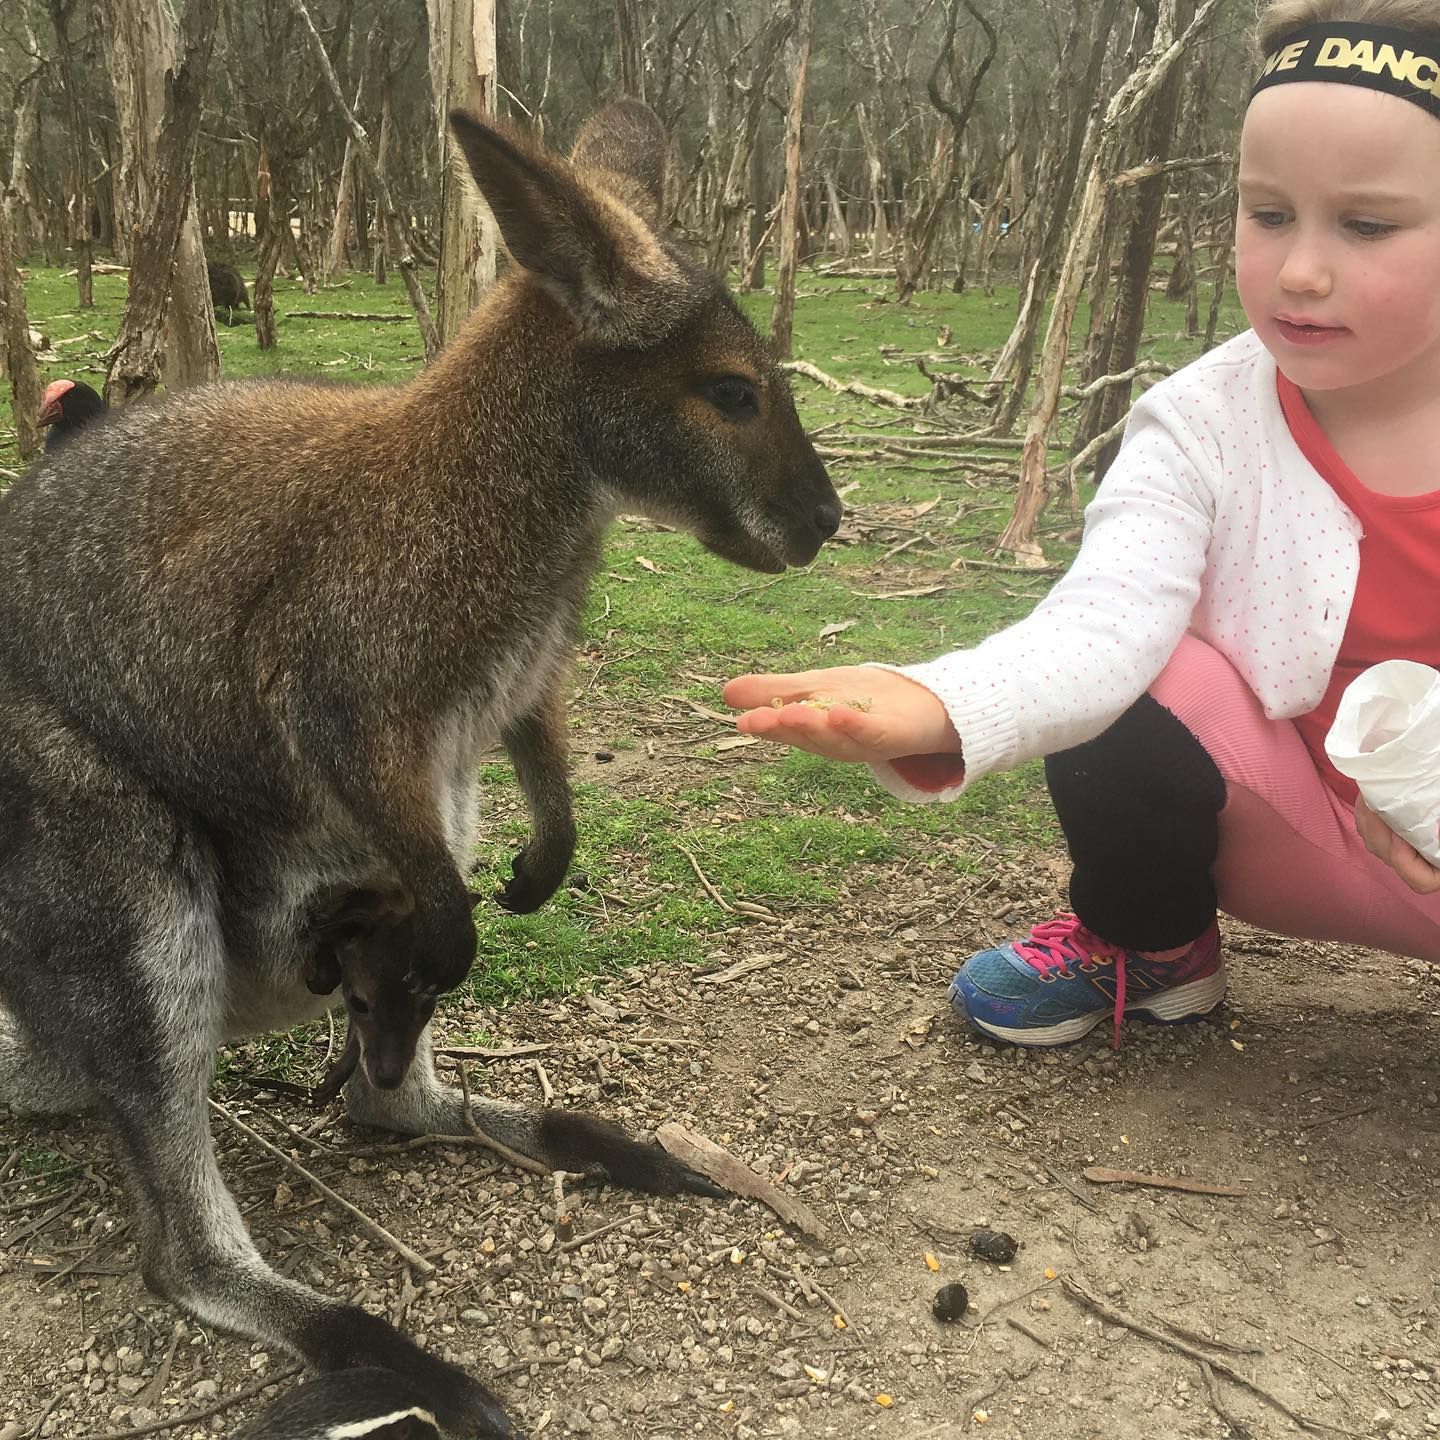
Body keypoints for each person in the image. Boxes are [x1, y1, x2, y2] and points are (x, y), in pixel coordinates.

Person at [724, 0, 1440, 1049]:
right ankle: (1151, 947)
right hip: (1310, 838)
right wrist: (944, 699)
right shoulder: (1204, 422)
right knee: (1151, 677)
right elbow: (1103, 624)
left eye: (1366, 225)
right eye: (1269, 214)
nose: (1299, 272)